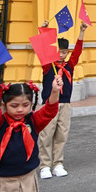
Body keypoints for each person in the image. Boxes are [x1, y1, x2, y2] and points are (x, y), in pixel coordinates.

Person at [37, 20, 87, 179]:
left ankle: (57, 163)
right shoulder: (47, 65)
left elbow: (78, 52)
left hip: (65, 104)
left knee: (61, 134)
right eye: (59, 51)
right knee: (46, 134)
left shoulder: (69, 66)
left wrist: (82, 32)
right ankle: (44, 165)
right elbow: (43, 48)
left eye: (65, 52)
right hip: (49, 104)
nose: (61, 54)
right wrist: (43, 30)